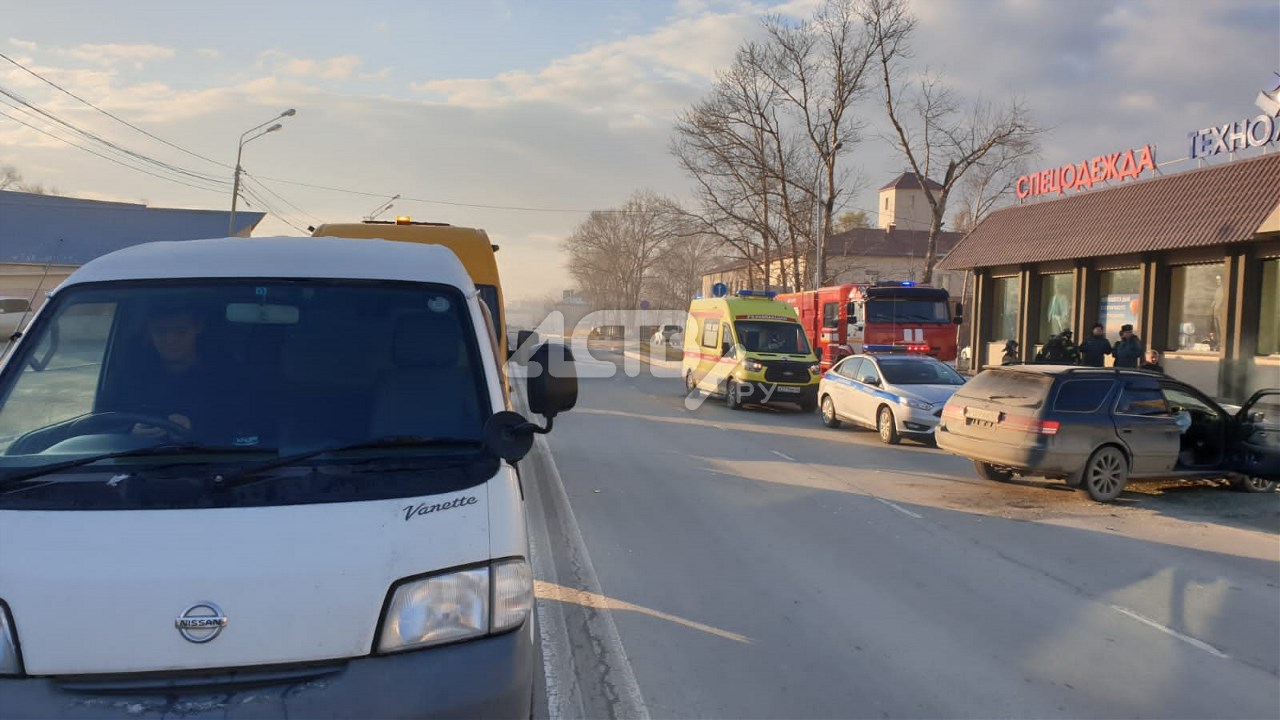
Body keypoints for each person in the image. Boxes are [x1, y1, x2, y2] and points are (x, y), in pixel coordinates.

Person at [121, 303, 245, 441]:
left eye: (181, 331)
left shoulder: (227, 373)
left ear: (198, 327)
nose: (170, 340)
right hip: (137, 457)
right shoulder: (131, 371)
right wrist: (129, 431)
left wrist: (195, 427)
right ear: (149, 331)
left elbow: (245, 422)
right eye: (160, 331)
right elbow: (104, 417)